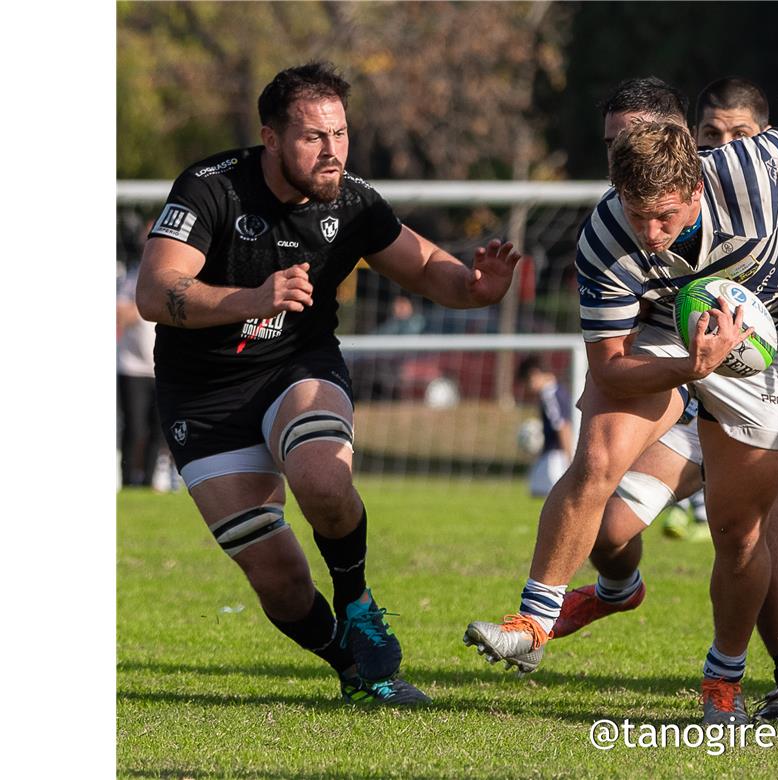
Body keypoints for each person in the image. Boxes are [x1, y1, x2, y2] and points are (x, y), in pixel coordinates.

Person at [466, 96, 778, 726]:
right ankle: (533, 621)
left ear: (698, 182)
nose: (650, 234)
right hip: (677, 342)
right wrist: (689, 369)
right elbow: (612, 364)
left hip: (776, 352)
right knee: (598, 457)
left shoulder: (756, 170)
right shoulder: (606, 237)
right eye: (637, 214)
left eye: (665, 217)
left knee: (747, 532)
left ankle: (732, 683)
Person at [135, 62, 522, 707]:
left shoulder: (353, 201)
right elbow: (154, 291)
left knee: (321, 476)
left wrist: (477, 288)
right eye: (315, 137)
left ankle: (358, 603)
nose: (333, 151)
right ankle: (356, 667)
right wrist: (252, 297)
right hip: (202, 396)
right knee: (279, 581)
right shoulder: (210, 189)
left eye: (341, 134)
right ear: (272, 138)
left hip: (298, 366)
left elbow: (427, 267)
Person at [118, 260, 168, 489]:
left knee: (158, 429)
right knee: (135, 426)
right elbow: (120, 316)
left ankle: (148, 481)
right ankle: (128, 480)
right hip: (133, 367)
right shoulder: (132, 277)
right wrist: (147, 300)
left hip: (162, 368)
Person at [516, 356, 574, 498]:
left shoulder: (550, 395)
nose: (528, 389)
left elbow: (563, 426)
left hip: (557, 455)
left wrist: (569, 458)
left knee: (548, 495)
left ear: (534, 375)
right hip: (552, 453)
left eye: (527, 383)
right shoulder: (556, 391)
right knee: (537, 491)